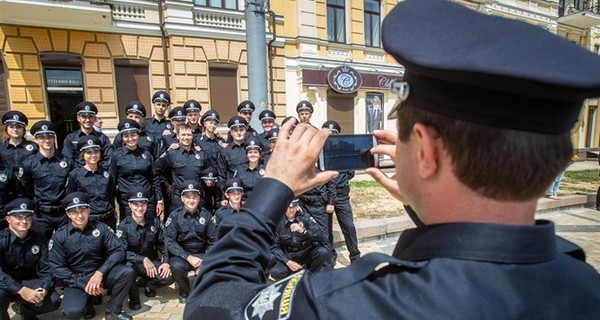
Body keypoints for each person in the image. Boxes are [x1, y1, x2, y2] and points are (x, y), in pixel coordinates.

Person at [183, 0, 600, 318]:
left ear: (428, 152)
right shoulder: (583, 283)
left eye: (402, 134)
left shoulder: (354, 302)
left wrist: (272, 189)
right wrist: (431, 202)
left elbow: (212, 307)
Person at [50, 192, 135, 320]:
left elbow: (119, 250)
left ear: (89, 210)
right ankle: (87, 303)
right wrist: (83, 284)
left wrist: (100, 272)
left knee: (127, 272)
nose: (79, 216)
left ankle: (113, 310)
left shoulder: (101, 228)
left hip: (100, 274)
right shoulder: (60, 236)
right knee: (73, 312)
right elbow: (57, 267)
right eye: (74, 212)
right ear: (68, 214)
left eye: (83, 211)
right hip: (76, 280)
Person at [0, 198, 61, 320]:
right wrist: (20, 290)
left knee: (53, 301)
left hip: (29, 281)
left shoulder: (39, 239)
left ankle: (25, 312)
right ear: (8, 219)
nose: (24, 221)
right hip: (5, 284)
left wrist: (44, 288)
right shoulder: (1, 240)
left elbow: (47, 268)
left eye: (27, 217)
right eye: (19, 217)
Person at [117, 188, 174, 310]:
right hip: (132, 262)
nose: (139, 208)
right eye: (136, 204)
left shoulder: (154, 222)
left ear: (147, 205)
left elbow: (164, 243)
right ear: (130, 205)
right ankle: (134, 298)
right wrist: (141, 259)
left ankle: (150, 286)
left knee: (168, 276)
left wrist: (165, 262)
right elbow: (121, 251)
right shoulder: (124, 225)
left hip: (151, 262)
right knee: (128, 271)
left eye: (143, 204)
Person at [18, 120, 74, 239]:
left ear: (54, 138)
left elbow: (72, 186)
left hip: (63, 213)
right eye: (42, 138)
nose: (47, 140)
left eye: (49, 137)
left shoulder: (67, 161)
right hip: (41, 215)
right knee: (40, 249)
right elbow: (26, 189)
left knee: (67, 246)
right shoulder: (29, 164)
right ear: (36, 140)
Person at [163, 180, 216, 304]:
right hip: (182, 255)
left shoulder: (207, 215)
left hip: (202, 253)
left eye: (194, 197)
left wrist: (206, 260)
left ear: (199, 198)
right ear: (182, 198)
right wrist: (188, 257)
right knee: (176, 267)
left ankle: (201, 288)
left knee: (213, 266)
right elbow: (169, 241)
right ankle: (184, 290)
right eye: (188, 197)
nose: (191, 200)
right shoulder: (174, 216)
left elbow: (214, 240)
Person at [323, 120, 361, 263]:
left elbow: (351, 173)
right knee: (326, 229)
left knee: (349, 227)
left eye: (333, 134)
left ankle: (355, 257)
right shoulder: (320, 151)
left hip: (342, 196)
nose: (330, 137)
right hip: (325, 196)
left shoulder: (345, 151)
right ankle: (331, 257)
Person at [110, 119, 163, 220]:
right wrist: (112, 205)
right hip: (127, 202)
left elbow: (154, 178)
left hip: (147, 200)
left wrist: (159, 200)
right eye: (126, 136)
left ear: (138, 135)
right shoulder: (116, 155)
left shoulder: (146, 154)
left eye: (133, 135)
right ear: (122, 138)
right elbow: (112, 181)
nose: (130, 139)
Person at [269, 199, 330, 281]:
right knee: (276, 272)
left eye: (293, 207)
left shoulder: (305, 217)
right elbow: (274, 247)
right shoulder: (278, 222)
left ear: (297, 206)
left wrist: (304, 231)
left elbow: (320, 235)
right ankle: (296, 276)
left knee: (322, 252)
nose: (291, 210)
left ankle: (311, 276)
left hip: (305, 251)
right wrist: (288, 261)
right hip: (289, 254)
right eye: (288, 207)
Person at [67, 135, 117, 231]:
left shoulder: (107, 174)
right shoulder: (75, 175)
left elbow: (111, 196)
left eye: (96, 152)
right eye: (89, 153)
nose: (93, 155)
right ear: (83, 155)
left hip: (108, 218)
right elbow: (71, 198)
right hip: (89, 220)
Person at [155, 123, 207, 212]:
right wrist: (167, 185)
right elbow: (156, 169)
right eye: (183, 135)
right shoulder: (171, 153)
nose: (186, 137)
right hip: (178, 199)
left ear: (192, 136)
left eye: (189, 135)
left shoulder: (200, 153)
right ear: (178, 136)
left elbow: (206, 172)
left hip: (197, 199)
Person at [61, 101, 112, 169]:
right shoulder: (71, 138)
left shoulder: (102, 138)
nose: (87, 120)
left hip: (99, 175)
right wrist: (81, 172)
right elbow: (67, 159)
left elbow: (109, 158)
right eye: (84, 116)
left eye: (90, 116)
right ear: (78, 118)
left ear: (94, 119)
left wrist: (98, 170)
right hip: (78, 176)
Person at [0, 111, 38, 175]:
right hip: (7, 184)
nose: (15, 130)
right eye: (11, 127)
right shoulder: (1, 148)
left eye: (19, 127)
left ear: (23, 129)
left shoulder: (34, 147)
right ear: (7, 129)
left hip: (29, 184)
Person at [217, 116, 248, 191]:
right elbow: (222, 176)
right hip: (233, 191)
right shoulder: (225, 151)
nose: (239, 133)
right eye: (235, 130)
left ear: (245, 130)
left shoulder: (251, 149)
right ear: (231, 132)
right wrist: (223, 196)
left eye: (241, 130)